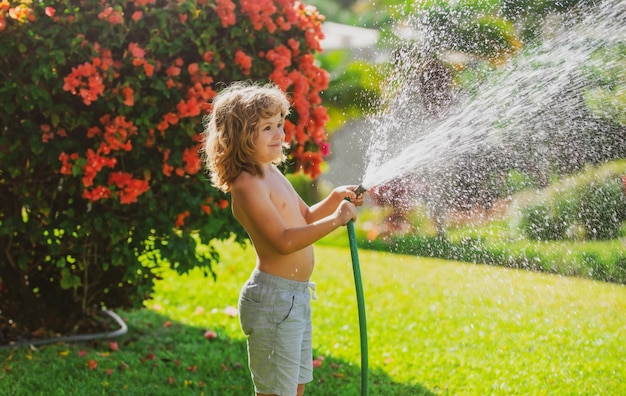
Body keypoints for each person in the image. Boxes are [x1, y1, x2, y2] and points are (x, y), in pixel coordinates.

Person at [202, 81, 363, 396]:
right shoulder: (247, 185)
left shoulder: (270, 172)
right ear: (239, 135)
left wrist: (334, 198)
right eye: (266, 128)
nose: (279, 134)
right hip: (274, 300)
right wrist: (336, 220)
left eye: (279, 124)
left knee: (294, 385)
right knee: (276, 391)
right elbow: (284, 241)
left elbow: (304, 218)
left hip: (295, 297)